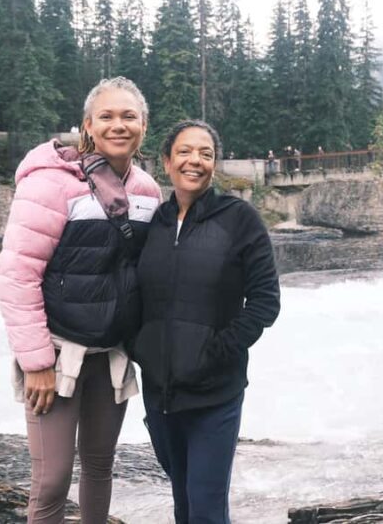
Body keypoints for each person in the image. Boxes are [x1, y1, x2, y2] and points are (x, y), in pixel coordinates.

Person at [0, 76, 163, 523]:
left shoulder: (147, 192)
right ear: (87, 125)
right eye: (106, 116)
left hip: (111, 354)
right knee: (52, 480)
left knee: (100, 467)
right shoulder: (51, 183)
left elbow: (146, 273)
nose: (118, 125)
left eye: (129, 116)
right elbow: (17, 274)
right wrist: (35, 363)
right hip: (56, 354)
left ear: (143, 125)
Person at [131, 120, 280, 523]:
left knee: (206, 508)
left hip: (215, 392)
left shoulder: (239, 219)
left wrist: (215, 352)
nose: (194, 160)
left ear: (215, 163)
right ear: (166, 161)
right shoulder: (153, 224)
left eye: (205, 153)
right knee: (183, 503)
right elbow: (132, 294)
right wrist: (139, 347)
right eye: (184, 152)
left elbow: (265, 301)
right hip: (159, 393)